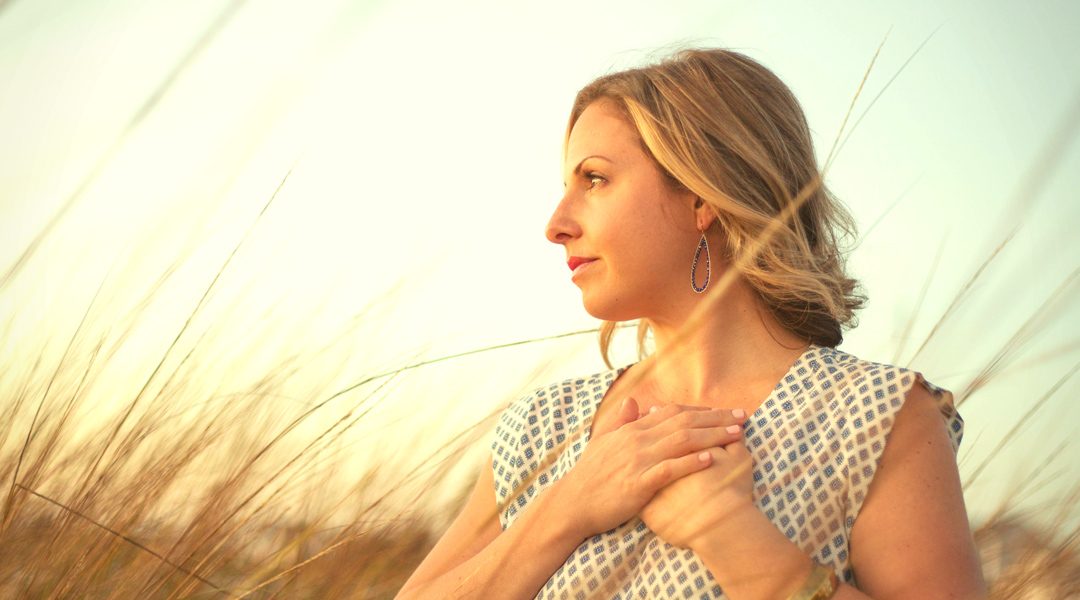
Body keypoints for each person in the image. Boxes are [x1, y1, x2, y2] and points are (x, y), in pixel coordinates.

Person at [395, 47, 987, 599]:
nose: (556, 223)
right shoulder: (541, 430)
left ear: (703, 195)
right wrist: (568, 503)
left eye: (594, 179)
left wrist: (731, 532)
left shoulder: (877, 420)